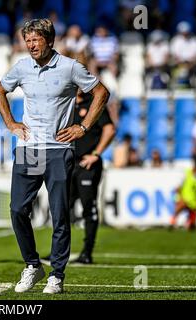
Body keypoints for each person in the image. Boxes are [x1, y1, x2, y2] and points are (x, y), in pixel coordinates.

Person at [0, 19, 109, 294]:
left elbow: (101, 92)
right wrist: (10, 123)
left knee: (59, 213)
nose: (30, 45)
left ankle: (57, 273)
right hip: (29, 148)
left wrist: (83, 127)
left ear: (49, 40)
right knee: (17, 209)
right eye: (28, 40)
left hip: (59, 150)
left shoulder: (70, 67)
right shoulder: (21, 67)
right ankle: (33, 265)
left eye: (35, 40)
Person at [68, 90, 115, 264]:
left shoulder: (95, 103)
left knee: (89, 207)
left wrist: (96, 153)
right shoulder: (67, 103)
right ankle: (58, 251)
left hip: (88, 164)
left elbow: (109, 129)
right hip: (69, 163)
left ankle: (87, 252)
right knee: (62, 208)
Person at [170, 153, 196, 231]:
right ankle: (173, 222)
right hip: (184, 199)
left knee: (192, 228)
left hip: (194, 203)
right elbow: (178, 187)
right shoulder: (187, 173)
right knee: (180, 204)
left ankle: (189, 222)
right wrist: (178, 197)